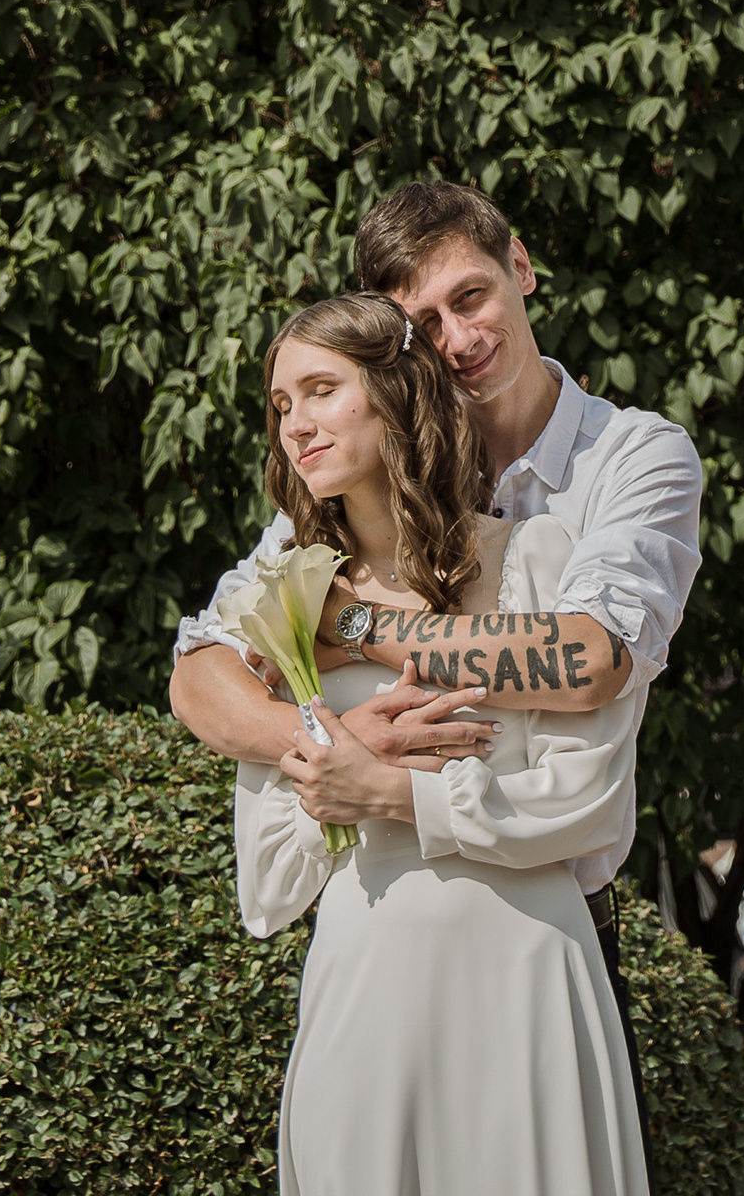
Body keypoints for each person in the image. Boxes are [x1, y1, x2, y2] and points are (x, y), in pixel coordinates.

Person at [173, 180, 702, 1143]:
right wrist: (323, 734)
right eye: (425, 320)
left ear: (522, 269)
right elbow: (203, 662)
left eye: (472, 297)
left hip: (540, 928)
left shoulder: (632, 457)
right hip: (377, 953)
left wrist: (356, 632)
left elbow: (588, 660)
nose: (458, 338)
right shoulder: (366, 480)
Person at [231, 291, 651, 1196]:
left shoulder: (535, 559)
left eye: (319, 390)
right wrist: (336, 756)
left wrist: (390, 792)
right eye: (280, 406)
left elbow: (588, 799)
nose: (295, 424)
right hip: (363, 980)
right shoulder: (290, 607)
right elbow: (265, 880)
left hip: (525, 975)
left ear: (395, 396)